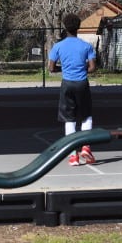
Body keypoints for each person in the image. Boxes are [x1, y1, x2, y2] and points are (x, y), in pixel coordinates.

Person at [48, 13, 97, 166]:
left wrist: (62, 70)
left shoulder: (58, 46)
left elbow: (51, 67)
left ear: (65, 28)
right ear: (78, 27)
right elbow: (92, 67)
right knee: (86, 116)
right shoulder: (86, 46)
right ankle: (86, 148)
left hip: (67, 84)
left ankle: (72, 156)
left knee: (68, 118)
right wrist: (81, 70)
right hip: (82, 83)